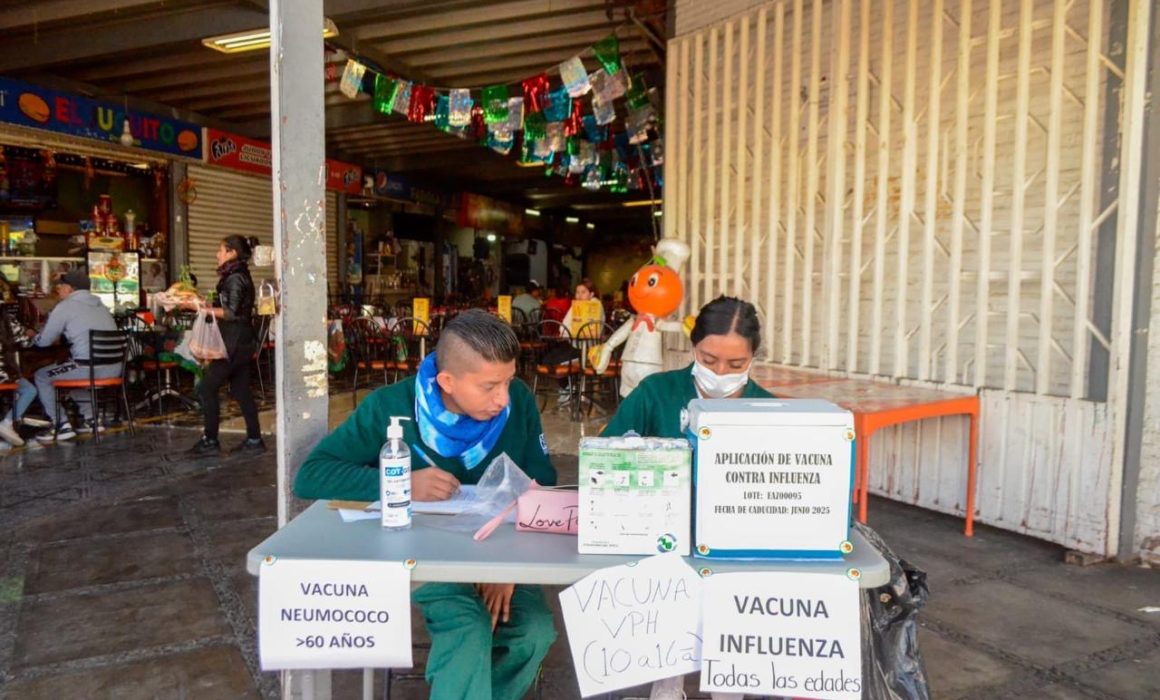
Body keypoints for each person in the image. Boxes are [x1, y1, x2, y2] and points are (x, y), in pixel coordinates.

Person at [295, 310, 557, 700]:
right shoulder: (389, 406)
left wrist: (509, 568)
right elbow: (312, 475)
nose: (503, 398)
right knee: (468, 629)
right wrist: (398, 483)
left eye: (509, 381)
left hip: (502, 550)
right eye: (489, 387)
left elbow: (543, 481)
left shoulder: (516, 402)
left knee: (534, 633)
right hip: (426, 555)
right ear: (447, 381)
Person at [602, 296, 773, 439]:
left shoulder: (772, 412)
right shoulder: (655, 393)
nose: (720, 372)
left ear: (752, 358)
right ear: (694, 347)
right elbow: (602, 457)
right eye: (709, 360)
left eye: (736, 364)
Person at [186, 235, 264, 456]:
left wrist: (200, 309)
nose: (217, 254)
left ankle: (210, 440)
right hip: (240, 341)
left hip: (233, 343)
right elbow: (228, 307)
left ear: (232, 253)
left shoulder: (236, 278)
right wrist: (199, 303)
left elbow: (230, 312)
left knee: (206, 388)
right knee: (241, 390)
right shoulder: (236, 275)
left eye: (221, 250)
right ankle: (254, 439)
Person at [29, 268, 119, 444]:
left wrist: (33, 336)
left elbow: (44, 342)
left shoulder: (65, 306)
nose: (58, 289)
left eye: (61, 286)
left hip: (87, 368)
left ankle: (61, 425)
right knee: (69, 370)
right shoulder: (102, 306)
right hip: (114, 369)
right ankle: (91, 419)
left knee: (42, 376)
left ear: (70, 289)